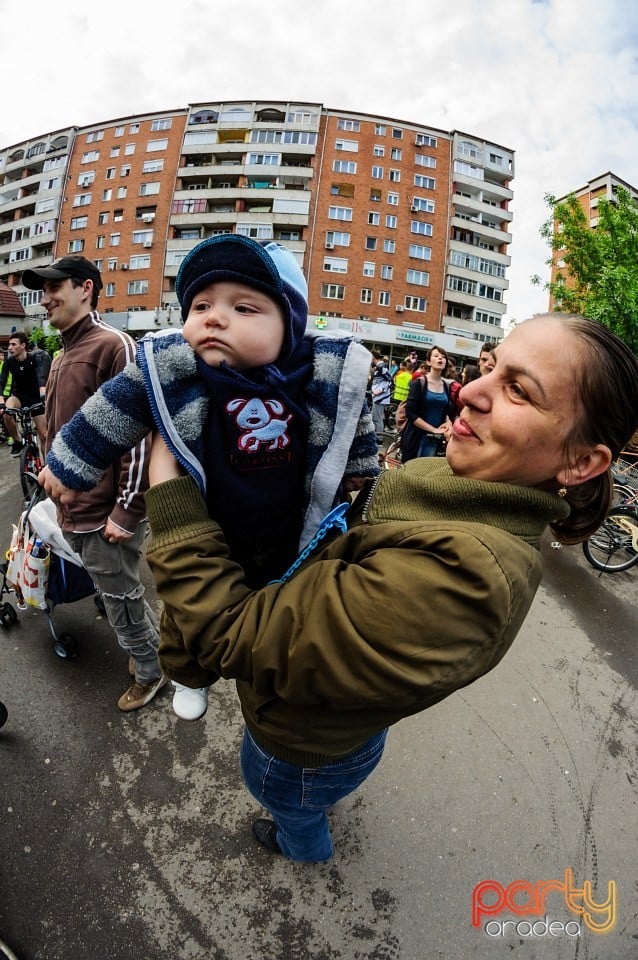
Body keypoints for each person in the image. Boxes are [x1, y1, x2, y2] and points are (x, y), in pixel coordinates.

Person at [143, 313, 637, 863]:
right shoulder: (465, 481)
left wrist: (170, 490)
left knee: (289, 803)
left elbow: (228, 634)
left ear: (581, 461)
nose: (469, 391)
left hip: (302, 750)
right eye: (490, 369)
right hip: (337, 722)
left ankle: (301, 844)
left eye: (518, 391)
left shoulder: (468, 581)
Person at [37, 237, 379, 721]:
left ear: (292, 325)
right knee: (185, 613)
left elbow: (350, 426)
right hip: (209, 529)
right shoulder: (175, 370)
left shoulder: (322, 373)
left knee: (286, 611)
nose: (214, 318)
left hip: (293, 534)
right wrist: (70, 463)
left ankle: (273, 680)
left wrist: (366, 479)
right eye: (200, 305)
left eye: (244, 308)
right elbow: (111, 411)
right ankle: (187, 674)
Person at [21, 255, 165, 713]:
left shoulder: (113, 345)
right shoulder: (63, 353)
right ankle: (155, 650)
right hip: (74, 511)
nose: (45, 299)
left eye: (53, 288)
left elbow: (141, 434)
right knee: (118, 592)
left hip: (106, 513)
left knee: (120, 598)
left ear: (86, 288)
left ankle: (150, 671)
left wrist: (127, 511)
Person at [400, 345, 455, 462]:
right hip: (416, 438)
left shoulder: (446, 386)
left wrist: (448, 424)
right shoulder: (419, 383)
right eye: (436, 356)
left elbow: (446, 411)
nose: (440, 358)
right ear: (429, 362)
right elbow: (410, 413)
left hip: (435, 440)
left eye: (443, 357)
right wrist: (433, 429)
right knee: (412, 472)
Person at [0, 332, 50, 454]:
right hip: (19, 397)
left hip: (36, 398)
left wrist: (43, 392)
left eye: (13, 344)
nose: (10, 348)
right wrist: (1, 401)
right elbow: (2, 381)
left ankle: (44, 467)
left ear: (23, 345)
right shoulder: (9, 362)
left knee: (44, 436)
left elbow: (41, 375)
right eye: (9, 345)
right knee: (7, 412)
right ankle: (18, 441)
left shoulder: (35, 358)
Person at [369, 350, 393, 443]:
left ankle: (379, 439)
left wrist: (380, 391)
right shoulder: (380, 366)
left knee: (377, 418)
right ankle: (377, 437)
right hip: (378, 397)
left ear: (373, 357)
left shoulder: (381, 367)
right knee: (375, 417)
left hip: (380, 398)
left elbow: (390, 381)